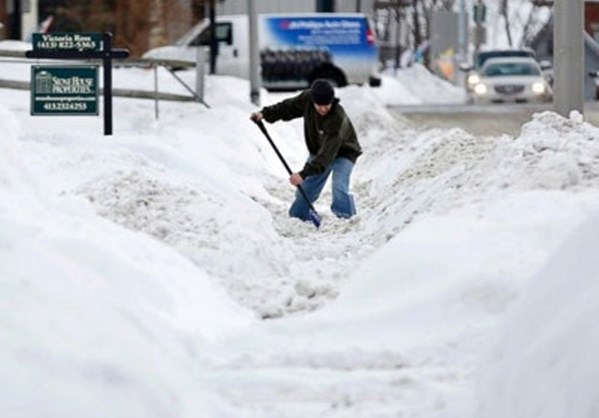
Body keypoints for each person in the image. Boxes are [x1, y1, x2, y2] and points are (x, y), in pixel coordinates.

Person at [250, 79, 362, 222]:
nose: (323, 109)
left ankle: (347, 220)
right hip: (319, 151)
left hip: (344, 153)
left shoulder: (336, 117)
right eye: (319, 105)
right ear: (313, 101)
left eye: (326, 105)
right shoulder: (307, 99)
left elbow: (326, 156)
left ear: (332, 101)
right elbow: (287, 107)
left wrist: (303, 173)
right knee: (305, 191)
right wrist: (264, 114)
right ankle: (300, 217)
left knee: (339, 187)